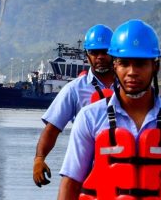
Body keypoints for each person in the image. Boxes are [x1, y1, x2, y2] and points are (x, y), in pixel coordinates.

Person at [58, 19, 161, 200]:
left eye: (140, 63)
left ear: (155, 66)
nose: (132, 72)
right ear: (114, 66)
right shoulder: (90, 118)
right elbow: (71, 183)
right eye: (124, 63)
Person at [33, 24, 117, 188]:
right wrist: (39, 158)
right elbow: (52, 129)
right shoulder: (74, 90)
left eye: (104, 51)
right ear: (87, 55)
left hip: (123, 171)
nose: (100, 56)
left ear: (113, 53)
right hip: (85, 175)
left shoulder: (128, 87)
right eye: (94, 52)